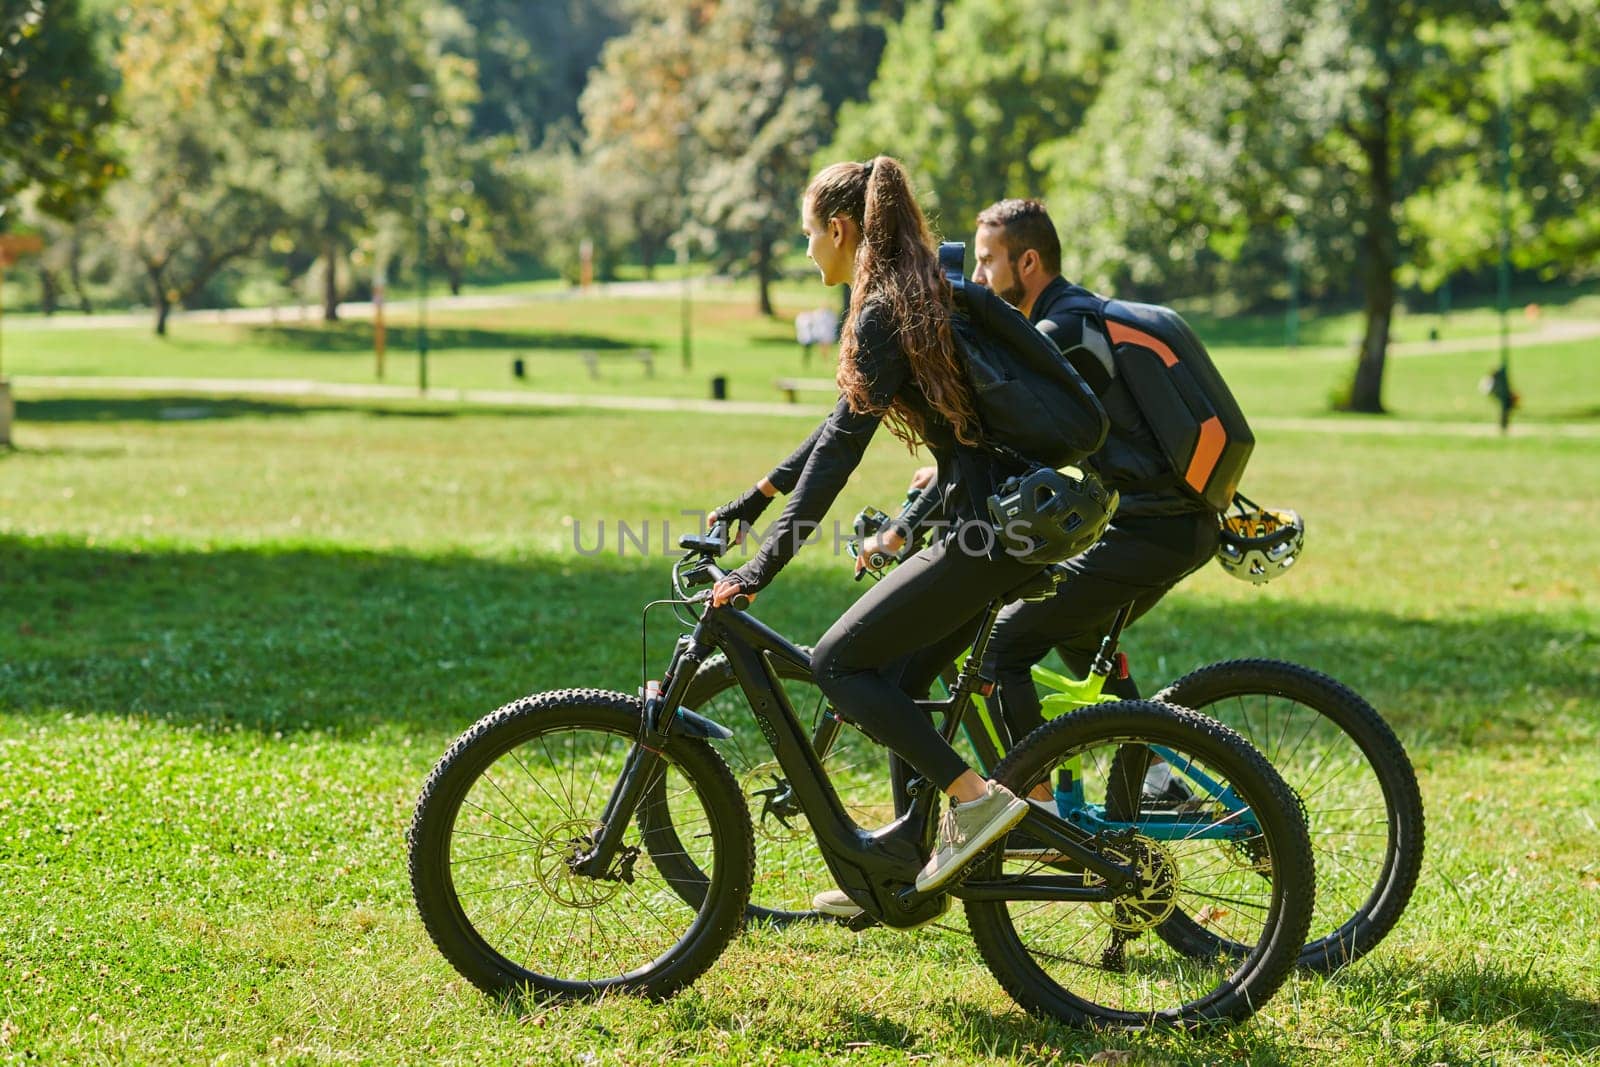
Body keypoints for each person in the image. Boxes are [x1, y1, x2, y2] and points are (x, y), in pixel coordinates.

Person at [706, 157, 1039, 898]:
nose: (805, 253)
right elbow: (835, 429)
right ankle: (905, 862)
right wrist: (756, 497)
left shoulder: (886, 307)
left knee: (837, 664)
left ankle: (976, 800)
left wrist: (757, 569)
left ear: (839, 228)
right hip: (1000, 514)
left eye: (807, 236)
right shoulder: (913, 288)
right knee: (898, 676)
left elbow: (837, 459)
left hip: (984, 526)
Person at [876, 199, 1218, 823]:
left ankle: (1036, 814)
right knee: (1073, 632)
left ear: (1027, 262)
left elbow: (999, 446)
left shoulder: (1055, 339)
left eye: (986, 263)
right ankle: (1160, 779)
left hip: (1146, 524)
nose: (975, 278)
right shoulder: (1078, 317)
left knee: (1003, 649)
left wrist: (907, 524)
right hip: (1172, 523)